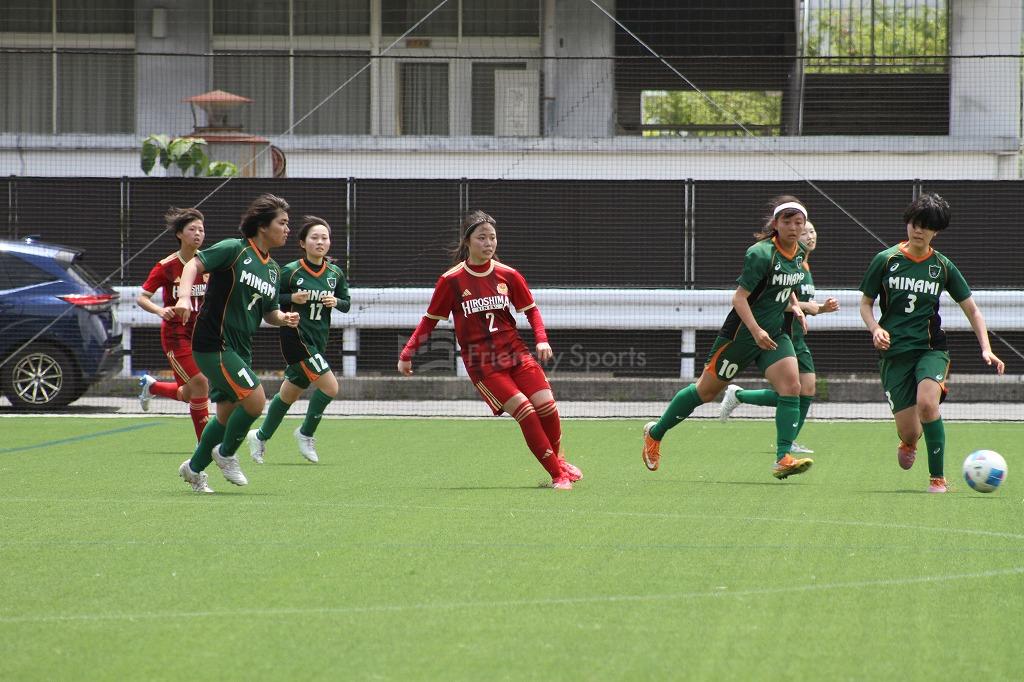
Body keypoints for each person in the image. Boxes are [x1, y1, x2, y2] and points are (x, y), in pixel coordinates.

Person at [397, 210, 582, 490]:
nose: (488, 243)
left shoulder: (508, 275)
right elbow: (429, 320)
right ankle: (558, 475)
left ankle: (559, 461)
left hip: (516, 353)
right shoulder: (451, 280)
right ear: (467, 241)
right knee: (526, 411)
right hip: (483, 363)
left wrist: (542, 339)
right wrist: (407, 353)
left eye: (492, 237)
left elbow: (531, 310)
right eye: (481, 238)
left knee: (547, 406)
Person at [642, 195, 813, 479]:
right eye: (787, 221)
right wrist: (756, 330)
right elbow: (739, 298)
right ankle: (655, 433)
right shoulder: (760, 254)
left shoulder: (799, 252)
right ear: (775, 224)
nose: (794, 227)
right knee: (705, 392)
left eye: (799, 222)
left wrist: (794, 305)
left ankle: (783, 457)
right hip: (742, 335)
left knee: (792, 386)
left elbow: (786, 284)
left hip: (773, 333)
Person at [858, 192, 1004, 493]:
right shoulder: (886, 260)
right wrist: (875, 328)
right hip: (894, 353)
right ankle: (908, 442)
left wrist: (986, 348)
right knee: (910, 431)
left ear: (936, 231)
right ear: (908, 223)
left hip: (930, 349)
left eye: (926, 226)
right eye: (915, 223)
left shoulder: (942, 266)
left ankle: (937, 479)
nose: (918, 230)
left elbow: (972, 310)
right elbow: (865, 303)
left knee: (927, 404)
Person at [174, 194, 300, 493]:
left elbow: (268, 312)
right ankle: (227, 453)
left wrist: (283, 318)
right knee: (256, 400)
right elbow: (193, 265)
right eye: (282, 223)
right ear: (262, 226)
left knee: (226, 415)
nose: (287, 229)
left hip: (240, 348)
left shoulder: (273, 269)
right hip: (214, 342)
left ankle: (193, 469)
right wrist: (183, 297)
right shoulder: (234, 249)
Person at [718, 220, 840, 453]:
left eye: (811, 231)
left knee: (807, 389)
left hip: (798, 336)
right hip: (782, 333)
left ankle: (787, 438)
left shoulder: (803, 266)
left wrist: (819, 308)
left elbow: (795, 300)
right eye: (804, 233)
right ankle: (741, 397)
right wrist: (810, 307)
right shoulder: (780, 263)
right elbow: (774, 300)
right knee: (792, 392)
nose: (809, 236)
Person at [247, 216, 350, 464]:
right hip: (296, 338)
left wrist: (336, 301)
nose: (320, 242)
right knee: (330, 387)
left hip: (318, 340)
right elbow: (269, 298)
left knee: (289, 394)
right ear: (303, 243)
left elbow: (346, 303)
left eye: (324, 237)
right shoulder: (290, 271)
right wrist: (291, 298)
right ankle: (306, 433)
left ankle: (259, 436)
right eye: (314, 237)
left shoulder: (335, 273)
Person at [136, 207, 211, 441]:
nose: (198, 234)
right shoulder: (167, 265)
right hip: (176, 336)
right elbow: (142, 297)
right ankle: (206, 446)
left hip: (202, 335)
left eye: (201, 230)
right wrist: (161, 310)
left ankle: (152, 387)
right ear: (179, 234)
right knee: (201, 384)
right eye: (192, 229)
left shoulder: (208, 262)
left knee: (189, 393)